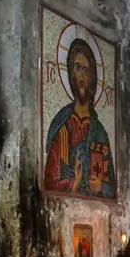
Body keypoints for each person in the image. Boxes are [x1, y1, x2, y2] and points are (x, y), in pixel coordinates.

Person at [44, 37, 116, 198]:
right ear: (70, 73)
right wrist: (74, 183)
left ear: (92, 78)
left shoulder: (100, 132)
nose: (82, 76)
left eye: (86, 70)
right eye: (77, 67)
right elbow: (49, 182)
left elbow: (113, 188)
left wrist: (101, 186)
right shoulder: (61, 127)